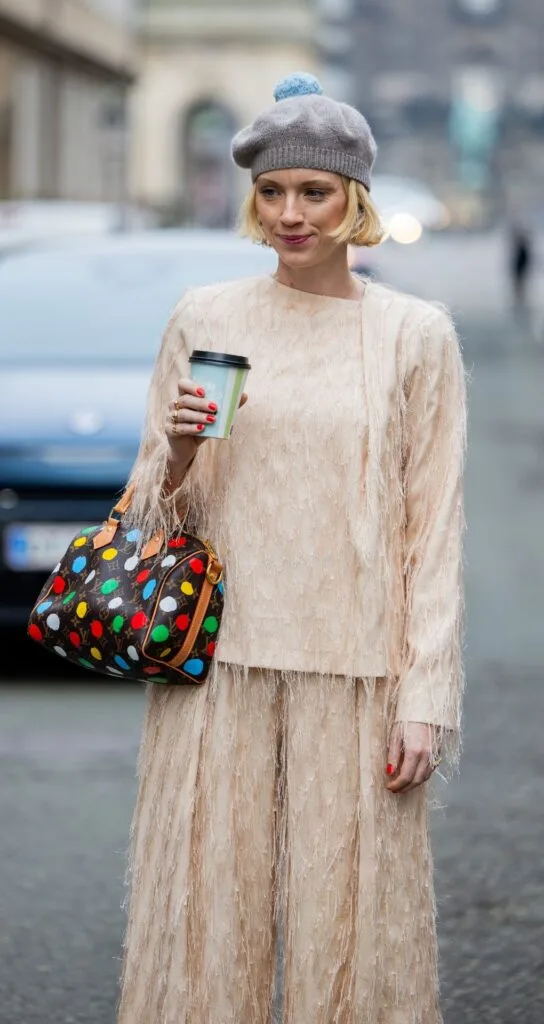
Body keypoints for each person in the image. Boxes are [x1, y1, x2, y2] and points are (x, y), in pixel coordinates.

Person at [117, 72, 466, 1024]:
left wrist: (425, 699)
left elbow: (430, 528)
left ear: (354, 198)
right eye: (272, 192)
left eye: (313, 192)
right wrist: (181, 448)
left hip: (357, 675)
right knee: (205, 939)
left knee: (352, 946)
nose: (290, 213)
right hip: (215, 668)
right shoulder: (206, 316)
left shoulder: (412, 335)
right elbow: (151, 517)